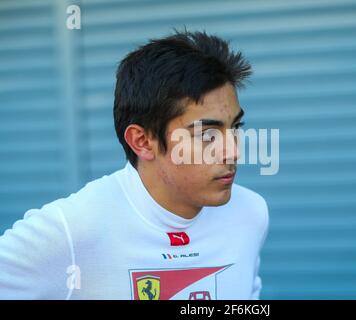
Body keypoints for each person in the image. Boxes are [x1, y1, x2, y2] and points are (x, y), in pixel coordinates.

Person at [0, 30, 269, 300]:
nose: (233, 151)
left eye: (235, 127)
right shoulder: (72, 229)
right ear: (142, 141)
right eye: (207, 135)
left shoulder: (250, 213)